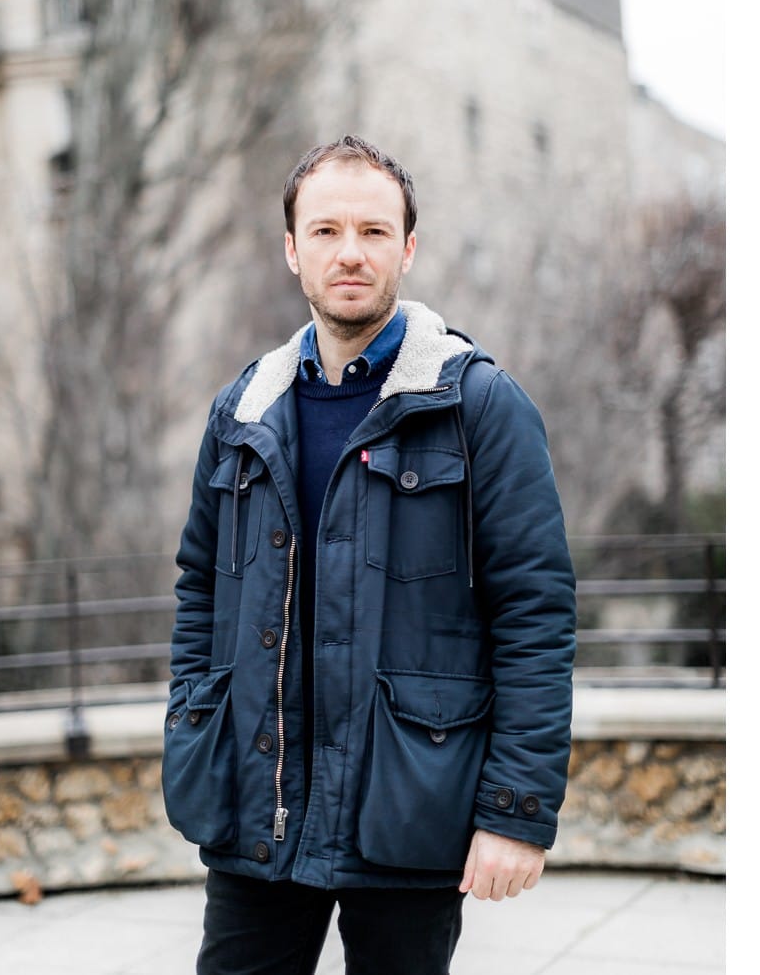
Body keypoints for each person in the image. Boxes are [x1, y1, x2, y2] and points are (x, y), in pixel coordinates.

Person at [162, 135, 576, 975]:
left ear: (408, 248)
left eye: (374, 232)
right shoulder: (241, 411)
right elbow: (200, 589)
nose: (349, 253)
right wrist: (194, 723)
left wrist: (514, 813)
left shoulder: (479, 404)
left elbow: (535, 615)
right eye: (325, 232)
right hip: (258, 808)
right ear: (291, 250)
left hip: (409, 805)